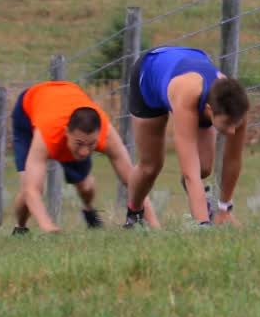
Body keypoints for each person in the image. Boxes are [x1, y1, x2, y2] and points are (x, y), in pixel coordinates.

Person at [124, 46, 250, 228]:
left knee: (204, 167)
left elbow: (233, 159)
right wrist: (203, 225)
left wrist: (225, 209)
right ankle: (134, 214)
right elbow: (189, 171)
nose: (232, 131)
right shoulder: (188, 96)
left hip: (189, 61)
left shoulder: (237, 106)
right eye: (227, 124)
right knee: (151, 166)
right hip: (150, 73)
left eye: (235, 124)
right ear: (209, 110)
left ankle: (200, 200)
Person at [10, 81, 159, 233]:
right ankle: (20, 228)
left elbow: (132, 179)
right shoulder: (47, 135)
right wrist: (47, 226)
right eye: (79, 144)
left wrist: (154, 225)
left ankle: (88, 210)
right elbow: (32, 189)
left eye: (91, 145)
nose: (84, 152)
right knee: (27, 186)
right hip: (28, 111)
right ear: (66, 132)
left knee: (86, 187)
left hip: (67, 101)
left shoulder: (106, 134)